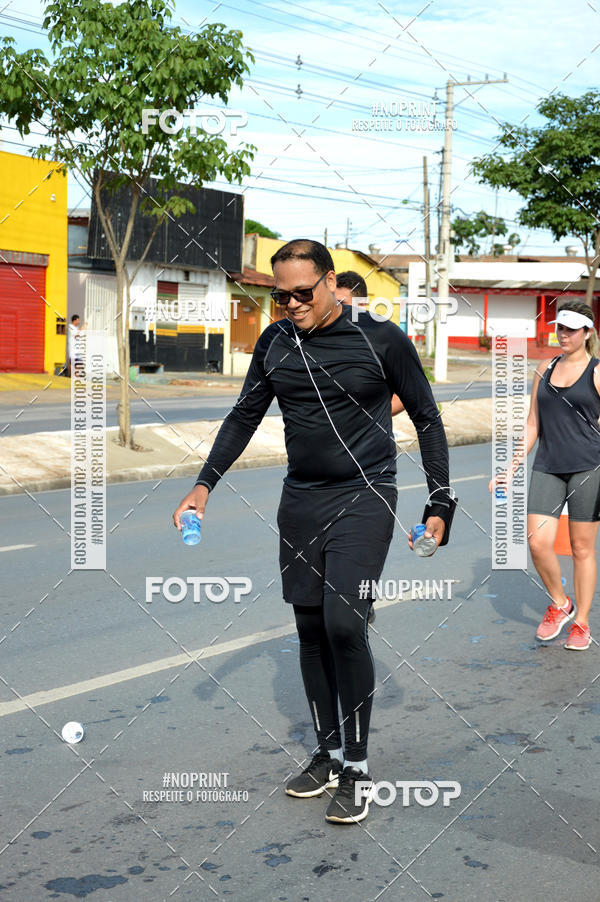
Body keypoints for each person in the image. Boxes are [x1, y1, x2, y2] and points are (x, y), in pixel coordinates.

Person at [173, 239, 451, 824]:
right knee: (308, 629)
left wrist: (441, 499)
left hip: (367, 494)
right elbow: (244, 414)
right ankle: (325, 753)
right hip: (300, 499)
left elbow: (426, 415)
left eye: (303, 292)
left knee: (345, 623)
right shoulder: (275, 342)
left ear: (329, 283)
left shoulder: (379, 339)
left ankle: (357, 766)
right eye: (281, 295)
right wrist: (203, 485)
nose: (292, 304)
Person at [489, 300, 600, 650]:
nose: (562, 334)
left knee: (582, 549)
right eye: (560, 327)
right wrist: (510, 468)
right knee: (537, 541)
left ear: (587, 332)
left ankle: (581, 622)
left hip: (589, 468)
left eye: (570, 329)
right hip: (548, 465)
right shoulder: (544, 368)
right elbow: (533, 423)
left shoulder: (597, 372)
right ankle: (560, 602)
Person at [336, 271, 404, 415]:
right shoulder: (323, 338)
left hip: (371, 436)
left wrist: (370, 419)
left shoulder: (385, 338)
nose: (335, 310)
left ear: (362, 304)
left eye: (342, 304)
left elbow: (408, 391)